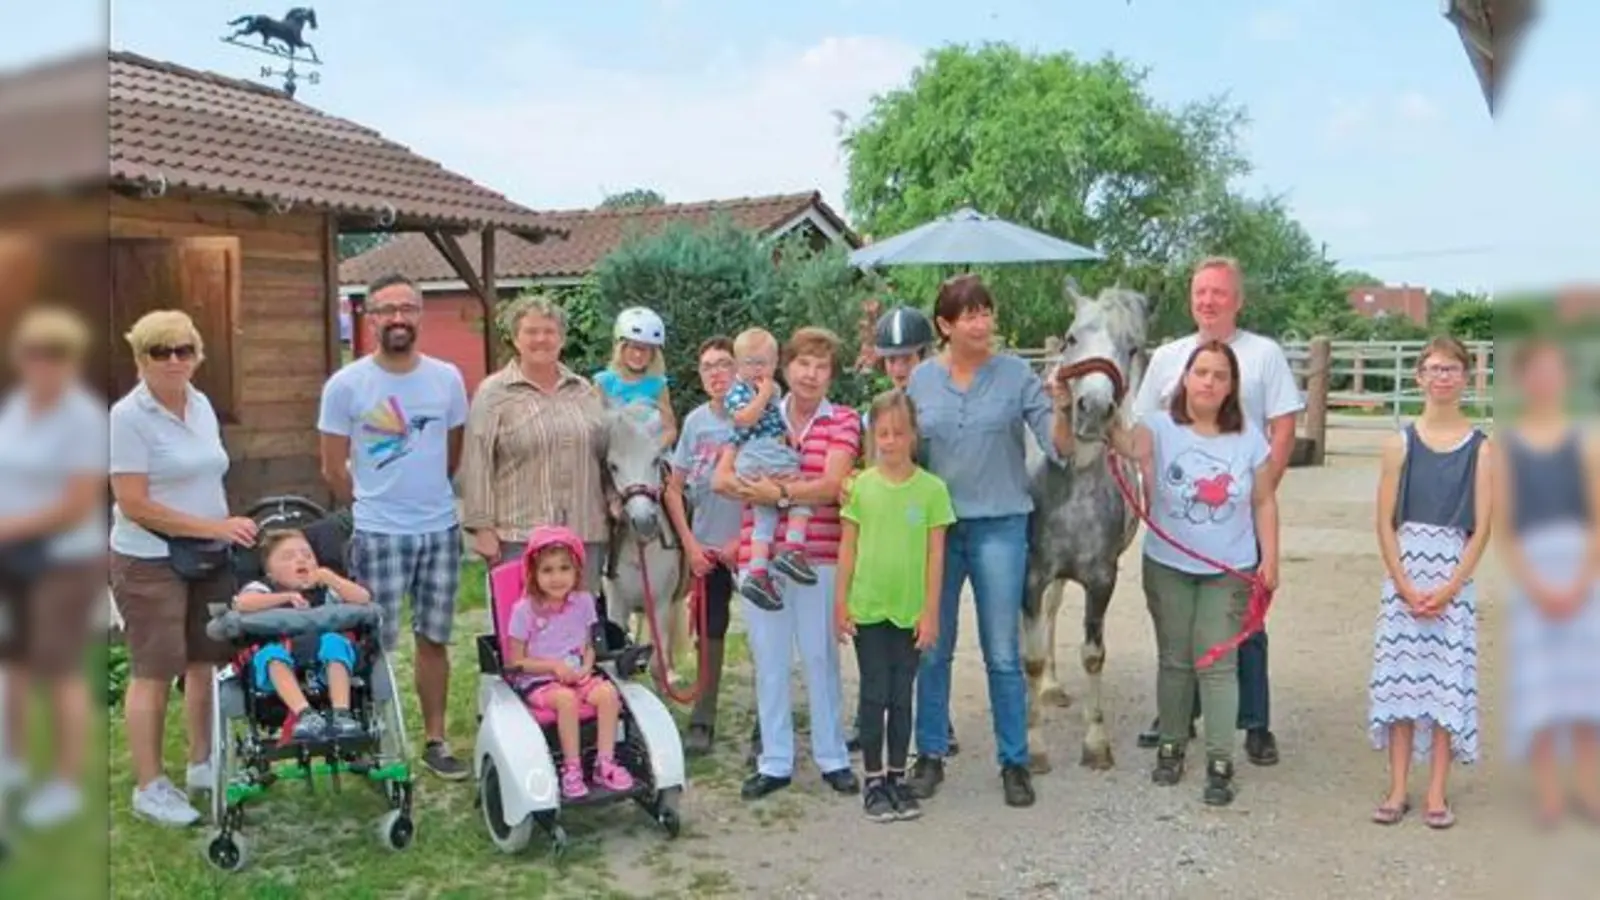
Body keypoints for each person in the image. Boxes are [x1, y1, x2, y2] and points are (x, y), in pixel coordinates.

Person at [903, 274, 1073, 808]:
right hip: (938, 530)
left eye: (986, 312)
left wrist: (1062, 407)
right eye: (969, 315)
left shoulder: (1017, 375)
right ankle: (930, 754)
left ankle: (1014, 760)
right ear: (944, 325)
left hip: (1001, 525)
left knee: (1002, 651)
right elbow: (905, 454)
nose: (981, 323)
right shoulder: (920, 382)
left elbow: (1059, 448)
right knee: (932, 648)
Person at [1131, 256, 1303, 766]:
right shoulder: (1169, 357)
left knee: (1243, 624)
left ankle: (1253, 721)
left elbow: (1283, 426)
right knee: (1183, 628)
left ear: (1237, 300)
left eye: (1218, 293)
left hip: (1239, 503)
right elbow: (1143, 428)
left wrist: (1260, 490)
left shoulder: (1264, 355)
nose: (1208, 301)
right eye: (1200, 293)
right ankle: (1179, 716)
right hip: (1182, 511)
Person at [1103, 340, 1278, 806]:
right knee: (1175, 659)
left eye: (1220, 375)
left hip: (1229, 569)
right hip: (1169, 566)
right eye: (1201, 372)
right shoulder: (1159, 428)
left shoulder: (1249, 438)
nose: (1209, 383)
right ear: (1185, 378)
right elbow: (1123, 443)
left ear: (1231, 386)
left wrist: (1271, 559)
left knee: (1216, 662)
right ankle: (1172, 744)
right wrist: (1101, 391)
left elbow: (1264, 500)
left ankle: (1220, 759)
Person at [109, 309, 259, 826]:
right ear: (141, 358)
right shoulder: (128, 417)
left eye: (183, 350)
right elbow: (133, 503)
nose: (174, 360)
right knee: (154, 669)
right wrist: (214, 526)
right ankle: (149, 787)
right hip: (150, 559)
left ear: (197, 356)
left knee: (206, 661)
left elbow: (207, 476)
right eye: (160, 351)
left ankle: (202, 763)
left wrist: (220, 530)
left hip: (208, 555)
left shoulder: (200, 404)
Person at [318, 273, 471, 780]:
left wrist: (426, 496)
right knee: (371, 640)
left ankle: (435, 740)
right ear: (370, 319)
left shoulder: (447, 379)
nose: (398, 318)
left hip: (439, 530)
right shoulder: (346, 385)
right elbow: (332, 467)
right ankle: (370, 735)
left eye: (407, 308)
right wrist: (371, 506)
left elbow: (452, 453)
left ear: (420, 315)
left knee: (434, 638)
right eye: (387, 309)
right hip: (378, 533)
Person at [714, 326, 860, 801]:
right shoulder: (758, 410)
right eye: (803, 364)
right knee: (770, 660)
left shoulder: (842, 421)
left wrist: (775, 492)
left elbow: (832, 485)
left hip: (817, 556)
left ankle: (832, 756)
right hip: (760, 560)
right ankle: (775, 761)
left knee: (820, 657)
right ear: (786, 367)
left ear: (831, 375)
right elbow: (721, 478)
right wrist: (761, 488)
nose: (811, 374)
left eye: (821, 366)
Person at [1368, 336, 1492, 830]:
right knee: (1401, 683)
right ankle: (1398, 787)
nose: (1443, 377)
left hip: (1452, 573)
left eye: (1452, 369)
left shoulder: (1482, 448)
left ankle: (1437, 790)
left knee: (1444, 685)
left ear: (1466, 378)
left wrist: (1451, 587)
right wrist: (1402, 582)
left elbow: (1482, 527)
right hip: (1405, 569)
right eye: (1434, 369)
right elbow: (1383, 521)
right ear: (1419, 376)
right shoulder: (1399, 444)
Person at [0, 306, 105, 828]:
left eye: (56, 355)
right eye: (35, 353)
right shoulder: (16, 408)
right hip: (13, 557)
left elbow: (77, 504)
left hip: (66, 560)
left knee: (60, 670)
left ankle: (65, 784)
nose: (44, 364)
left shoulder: (83, 418)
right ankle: (13, 763)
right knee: (13, 664)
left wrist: (8, 527)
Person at [835, 390, 953, 822]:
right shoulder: (860, 487)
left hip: (909, 610)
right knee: (874, 693)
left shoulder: (932, 491)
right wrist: (840, 604)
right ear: (872, 437)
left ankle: (898, 777)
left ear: (913, 436)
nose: (890, 441)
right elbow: (848, 548)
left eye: (898, 433)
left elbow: (936, 555)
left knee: (902, 696)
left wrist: (931, 612)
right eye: (882, 433)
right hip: (868, 607)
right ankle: (873, 780)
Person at [1497, 337, 1600, 828]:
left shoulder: (1587, 441)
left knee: (1585, 685)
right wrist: (1535, 585)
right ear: (1522, 380)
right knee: (1539, 686)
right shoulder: (1508, 446)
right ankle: (1549, 793)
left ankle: (1589, 785)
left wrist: (1582, 581)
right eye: (1535, 371)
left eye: (1553, 370)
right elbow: (1505, 526)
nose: (1545, 380)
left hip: (1581, 567)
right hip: (1533, 570)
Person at [461, 294, 610, 585]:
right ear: (515, 339)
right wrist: (482, 528)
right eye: (531, 331)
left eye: (549, 331)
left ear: (562, 339)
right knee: (522, 614)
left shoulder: (584, 391)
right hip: (520, 537)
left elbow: (605, 455)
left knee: (580, 614)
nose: (541, 339)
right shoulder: (493, 394)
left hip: (584, 534)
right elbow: (477, 462)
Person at [504, 526, 633, 799]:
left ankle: (604, 762)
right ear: (534, 574)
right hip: (539, 680)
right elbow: (516, 661)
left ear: (576, 571)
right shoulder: (524, 610)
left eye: (564, 568)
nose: (557, 578)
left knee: (608, 694)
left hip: (577, 674)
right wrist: (553, 667)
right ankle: (571, 768)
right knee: (566, 699)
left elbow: (588, 645)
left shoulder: (583, 602)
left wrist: (586, 667)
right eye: (547, 570)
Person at [663, 336, 746, 756]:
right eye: (708, 366)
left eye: (724, 364)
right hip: (708, 549)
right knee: (710, 631)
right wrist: (690, 544)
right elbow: (673, 488)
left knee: (766, 635)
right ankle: (703, 717)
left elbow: (774, 480)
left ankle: (769, 725)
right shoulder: (695, 423)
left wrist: (742, 538)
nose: (716, 373)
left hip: (750, 547)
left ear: (738, 370)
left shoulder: (756, 417)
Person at [233, 529, 371, 742]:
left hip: (324, 661)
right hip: (280, 662)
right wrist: (285, 598)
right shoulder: (263, 588)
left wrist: (331, 579)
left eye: (307, 555)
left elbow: (363, 598)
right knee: (272, 655)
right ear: (270, 572)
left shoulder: (327, 589)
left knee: (335, 643)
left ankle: (342, 714)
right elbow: (242, 604)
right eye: (288, 557)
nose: (301, 560)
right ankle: (304, 714)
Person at [724, 327, 816, 609]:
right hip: (757, 453)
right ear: (737, 365)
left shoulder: (773, 391)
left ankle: (758, 571)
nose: (757, 369)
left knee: (765, 518)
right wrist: (763, 395)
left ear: (775, 364)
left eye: (763, 363)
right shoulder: (739, 391)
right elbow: (744, 419)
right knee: (801, 493)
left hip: (766, 452)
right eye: (749, 363)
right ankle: (793, 548)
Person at [594, 306, 677, 450]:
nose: (638, 355)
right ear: (622, 348)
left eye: (645, 349)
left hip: (649, 452)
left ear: (653, 354)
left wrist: (653, 449)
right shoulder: (604, 382)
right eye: (633, 347)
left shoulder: (658, 384)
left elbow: (669, 429)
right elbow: (594, 425)